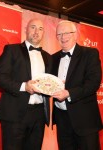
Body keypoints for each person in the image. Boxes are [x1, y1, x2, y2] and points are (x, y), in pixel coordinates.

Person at [0, 18, 52, 150]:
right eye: (33, 27)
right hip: (15, 112)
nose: (36, 32)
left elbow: (50, 82)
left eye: (40, 29)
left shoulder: (49, 57)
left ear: (43, 33)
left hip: (39, 114)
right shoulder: (11, 50)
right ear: (26, 29)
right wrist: (23, 86)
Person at [51, 20, 103, 150]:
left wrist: (68, 93)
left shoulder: (90, 54)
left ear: (75, 34)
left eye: (66, 33)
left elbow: (93, 83)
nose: (63, 37)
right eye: (59, 34)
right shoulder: (53, 58)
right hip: (62, 119)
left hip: (85, 120)